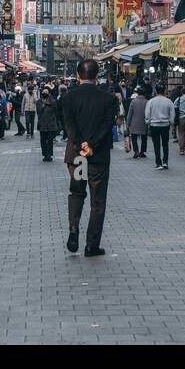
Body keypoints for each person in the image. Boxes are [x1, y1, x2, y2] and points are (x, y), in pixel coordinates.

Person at [59, 58, 118, 257]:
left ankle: (74, 227)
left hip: (77, 157)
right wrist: (91, 144)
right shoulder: (108, 99)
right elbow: (107, 125)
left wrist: (80, 145)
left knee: (76, 193)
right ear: (96, 76)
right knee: (97, 201)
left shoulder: (68, 98)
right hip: (98, 158)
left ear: (77, 75)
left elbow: (69, 126)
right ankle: (92, 244)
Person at [145, 85, 175, 170]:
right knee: (165, 144)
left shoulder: (151, 101)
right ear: (164, 91)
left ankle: (158, 163)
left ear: (156, 92)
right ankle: (165, 162)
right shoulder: (169, 101)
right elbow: (172, 114)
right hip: (165, 125)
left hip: (154, 125)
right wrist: (171, 122)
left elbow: (147, 114)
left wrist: (148, 122)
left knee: (156, 145)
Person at [36, 86, 60, 161]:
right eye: (43, 93)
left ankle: (49, 155)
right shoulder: (39, 102)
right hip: (42, 124)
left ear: (49, 93)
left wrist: (48, 103)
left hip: (50, 124)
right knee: (43, 140)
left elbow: (55, 109)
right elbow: (38, 111)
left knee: (50, 140)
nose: (44, 94)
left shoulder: (52, 101)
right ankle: (45, 154)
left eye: (46, 93)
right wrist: (43, 106)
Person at [126, 85, 148, 159]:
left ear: (137, 93)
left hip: (134, 123)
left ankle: (136, 151)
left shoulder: (133, 101)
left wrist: (127, 124)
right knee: (144, 137)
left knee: (134, 137)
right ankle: (142, 152)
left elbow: (130, 114)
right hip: (144, 122)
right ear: (144, 93)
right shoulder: (147, 102)